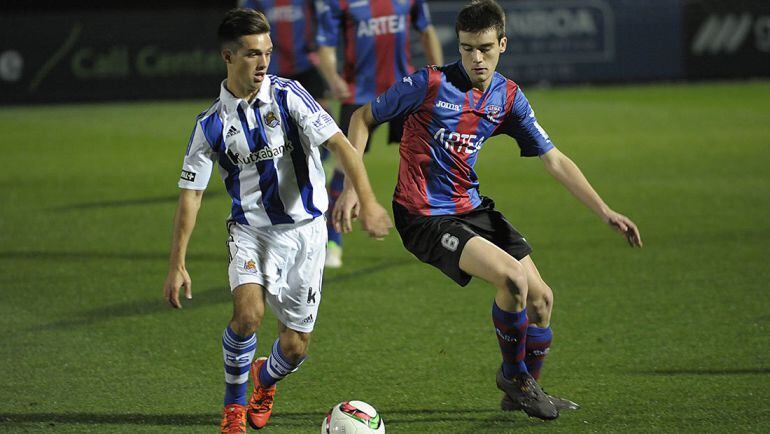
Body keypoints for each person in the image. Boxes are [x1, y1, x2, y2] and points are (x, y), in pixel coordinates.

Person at [334, 0, 642, 421]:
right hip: (423, 215)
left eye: (484, 48)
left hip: (471, 207)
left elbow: (554, 159)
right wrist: (354, 187)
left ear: (502, 44)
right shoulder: (428, 83)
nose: (475, 58)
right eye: (466, 48)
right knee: (512, 279)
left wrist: (605, 211)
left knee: (541, 301)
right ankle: (514, 378)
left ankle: (521, 389)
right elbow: (362, 117)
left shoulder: (508, 96)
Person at [161, 8, 391, 434]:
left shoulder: (290, 96)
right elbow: (191, 196)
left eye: (267, 52)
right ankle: (233, 409)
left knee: (295, 346)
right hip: (250, 232)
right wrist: (178, 262)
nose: (263, 62)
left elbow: (341, 144)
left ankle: (264, 381)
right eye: (252, 53)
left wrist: (367, 200)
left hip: (306, 233)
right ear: (228, 57)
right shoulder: (210, 125)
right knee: (247, 317)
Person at [315, 0, 444, 268]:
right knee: (344, 169)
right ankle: (332, 243)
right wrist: (333, 78)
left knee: (426, 164)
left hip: (405, 89)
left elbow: (427, 31)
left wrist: (440, 76)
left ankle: (429, 236)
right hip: (358, 94)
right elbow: (326, 45)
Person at [238, 0, 328, 109]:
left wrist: (315, 47)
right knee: (274, 113)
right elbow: (246, 25)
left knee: (320, 108)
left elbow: (321, 19)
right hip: (274, 67)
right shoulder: (257, 2)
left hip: (306, 63)